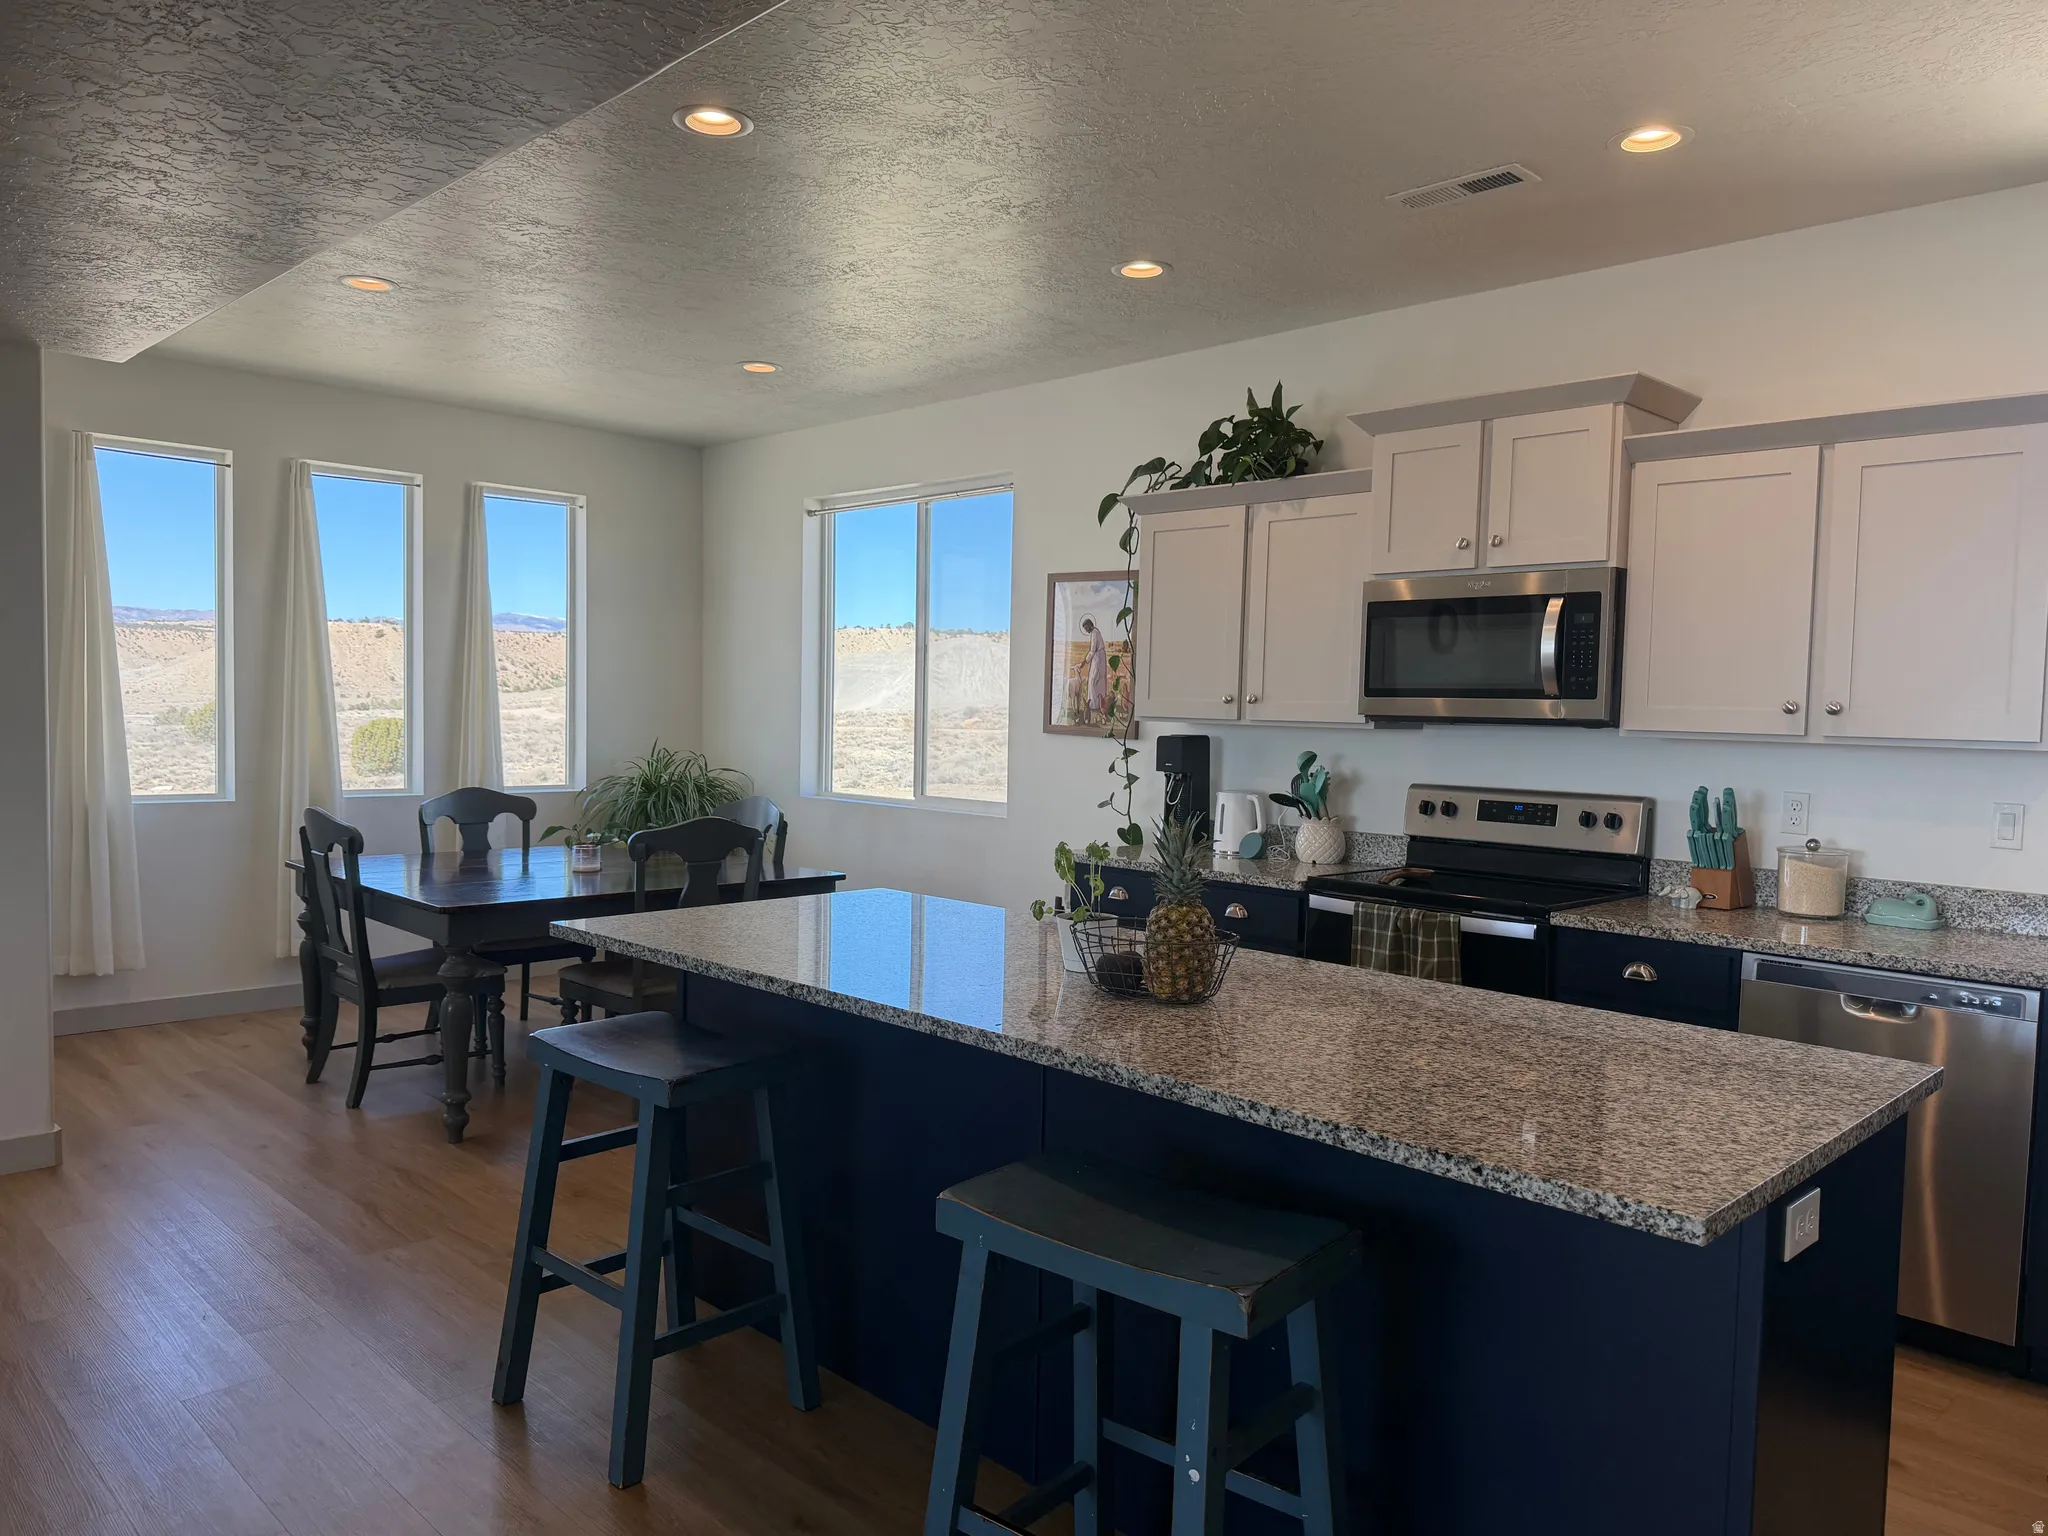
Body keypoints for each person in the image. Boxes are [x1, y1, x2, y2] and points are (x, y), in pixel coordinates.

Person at [1081, 615, 1110, 723]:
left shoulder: (1094, 633)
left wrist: (1085, 662)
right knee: (1099, 681)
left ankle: (1094, 705)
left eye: (1086, 628)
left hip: (1098, 658)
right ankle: (1098, 704)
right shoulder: (1095, 632)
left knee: (1094, 680)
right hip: (1100, 657)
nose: (1086, 630)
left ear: (1089, 625)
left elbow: (1092, 650)